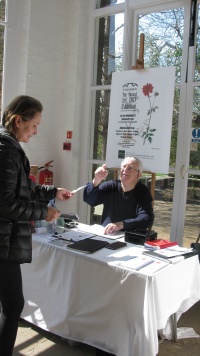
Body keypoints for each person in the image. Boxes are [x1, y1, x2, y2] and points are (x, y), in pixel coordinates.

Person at [0, 95, 73, 355]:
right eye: (34, 126)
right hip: (2, 242)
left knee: (10, 306)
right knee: (13, 306)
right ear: (18, 120)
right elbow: (6, 203)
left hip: (6, 240)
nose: (36, 131)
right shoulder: (6, 149)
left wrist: (54, 192)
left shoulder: (10, 148)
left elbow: (26, 187)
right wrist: (43, 212)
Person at [83, 156, 154, 235]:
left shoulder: (143, 192)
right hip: (107, 234)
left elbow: (146, 219)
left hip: (130, 238)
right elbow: (90, 199)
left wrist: (122, 224)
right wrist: (96, 180)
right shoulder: (111, 186)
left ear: (139, 174)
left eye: (130, 168)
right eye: (123, 166)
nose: (125, 170)